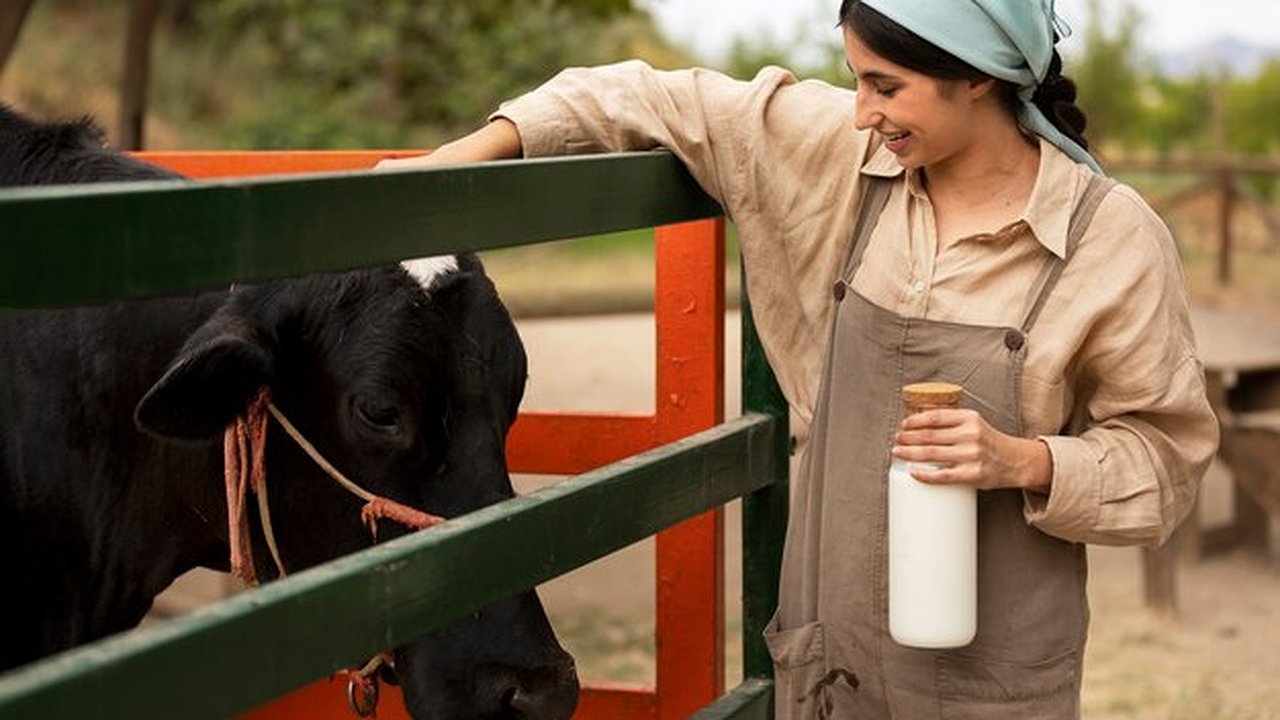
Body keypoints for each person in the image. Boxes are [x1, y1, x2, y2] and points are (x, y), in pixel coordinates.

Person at [379, 1, 1219, 717]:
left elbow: (1167, 462)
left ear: (979, 76)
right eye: (856, 79)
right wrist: (452, 168)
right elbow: (643, 96)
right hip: (832, 669)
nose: (862, 112)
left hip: (998, 683)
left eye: (886, 85)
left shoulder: (1111, 240)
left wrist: (1024, 460)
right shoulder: (837, 164)